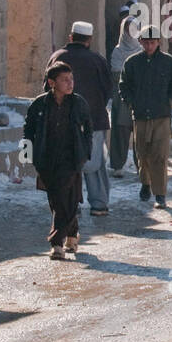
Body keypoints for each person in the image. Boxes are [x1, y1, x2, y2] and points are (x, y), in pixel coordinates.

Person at [23, 62, 92, 259]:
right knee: (59, 200)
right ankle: (72, 234)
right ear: (52, 83)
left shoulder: (78, 102)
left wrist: (86, 151)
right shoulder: (39, 104)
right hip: (46, 159)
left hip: (71, 158)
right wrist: (27, 154)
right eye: (64, 80)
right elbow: (28, 129)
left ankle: (57, 244)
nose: (70, 83)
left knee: (64, 198)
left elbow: (88, 128)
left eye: (71, 79)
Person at [49, 21, 113, 216]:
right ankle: (99, 204)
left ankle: (69, 203)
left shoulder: (57, 57)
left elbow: (47, 88)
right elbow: (108, 89)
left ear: (71, 37)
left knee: (68, 162)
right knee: (94, 163)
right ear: (89, 40)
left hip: (63, 121)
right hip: (93, 120)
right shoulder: (97, 60)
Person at [120, 24, 172, 208]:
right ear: (140, 42)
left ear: (158, 43)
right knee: (142, 154)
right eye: (146, 43)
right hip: (140, 116)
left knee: (160, 156)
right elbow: (123, 86)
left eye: (152, 43)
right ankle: (145, 183)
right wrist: (131, 102)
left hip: (161, 116)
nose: (149, 46)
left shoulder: (168, 62)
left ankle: (160, 194)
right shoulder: (132, 63)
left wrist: (170, 102)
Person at [109, 1, 141, 175]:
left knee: (140, 134)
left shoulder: (142, 50)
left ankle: (140, 166)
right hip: (122, 99)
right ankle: (117, 166)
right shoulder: (118, 51)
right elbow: (116, 74)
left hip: (139, 99)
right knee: (120, 132)